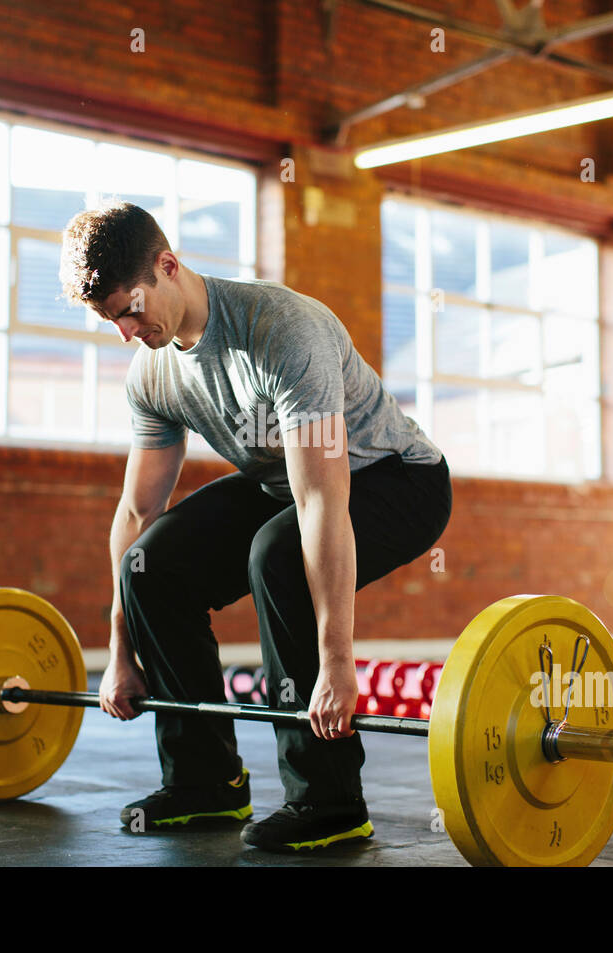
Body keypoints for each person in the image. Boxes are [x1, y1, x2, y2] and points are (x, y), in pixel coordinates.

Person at [59, 201, 452, 852]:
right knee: (151, 566)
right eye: (111, 321)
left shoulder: (280, 329)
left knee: (280, 552)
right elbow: (136, 513)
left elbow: (323, 498)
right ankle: (204, 782)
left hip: (399, 477)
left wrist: (335, 665)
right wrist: (119, 655)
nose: (127, 332)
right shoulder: (153, 373)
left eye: (130, 310)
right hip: (284, 481)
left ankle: (329, 802)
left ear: (167, 265)